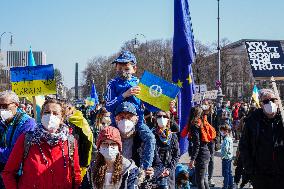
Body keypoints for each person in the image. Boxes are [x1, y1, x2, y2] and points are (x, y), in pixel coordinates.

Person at [2, 98, 81, 189]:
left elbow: (76, 175)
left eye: (55, 114)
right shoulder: (27, 139)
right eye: (47, 112)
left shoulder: (70, 142)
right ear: (41, 115)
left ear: (62, 118)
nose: (50, 116)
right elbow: (8, 173)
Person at [239, 89, 284, 189]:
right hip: (260, 175)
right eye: (266, 101)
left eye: (273, 100)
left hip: (281, 174)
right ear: (261, 104)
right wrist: (250, 169)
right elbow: (244, 146)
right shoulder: (252, 121)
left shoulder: (282, 119)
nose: (270, 103)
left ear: (278, 101)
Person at [0, 90, 36, 187]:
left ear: (16, 105)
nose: (1, 109)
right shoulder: (3, 121)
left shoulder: (28, 123)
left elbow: (17, 154)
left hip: (17, 175)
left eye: (4, 106)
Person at [114, 101, 156, 177]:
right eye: (122, 117)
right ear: (116, 120)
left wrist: (151, 171)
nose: (125, 121)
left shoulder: (142, 140)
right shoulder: (110, 140)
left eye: (129, 117)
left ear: (136, 120)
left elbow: (158, 164)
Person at [65, 103, 93, 185]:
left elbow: (88, 141)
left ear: (71, 109)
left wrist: (84, 164)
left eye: (66, 108)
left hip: (79, 161)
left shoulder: (80, 121)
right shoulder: (63, 121)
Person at [153, 111, 180, 189]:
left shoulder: (173, 136)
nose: (162, 118)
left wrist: (169, 170)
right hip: (155, 173)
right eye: (159, 116)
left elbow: (176, 155)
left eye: (164, 116)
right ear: (155, 118)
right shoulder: (151, 135)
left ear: (168, 119)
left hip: (169, 174)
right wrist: (158, 171)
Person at [188, 106, 211, 189]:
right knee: (204, 179)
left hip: (201, 155)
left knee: (199, 180)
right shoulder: (202, 122)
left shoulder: (195, 125)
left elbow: (196, 144)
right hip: (206, 153)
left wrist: (192, 159)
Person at [220, 124, 234, 189]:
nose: (221, 132)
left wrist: (223, 156)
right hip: (230, 157)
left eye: (222, 131)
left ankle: (225, 186)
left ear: (226, 131)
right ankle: (231, 185)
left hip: (226, 158)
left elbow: (226, 148)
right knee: (229, 172)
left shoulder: (226, 140)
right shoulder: (230, 138)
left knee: (225, 173)